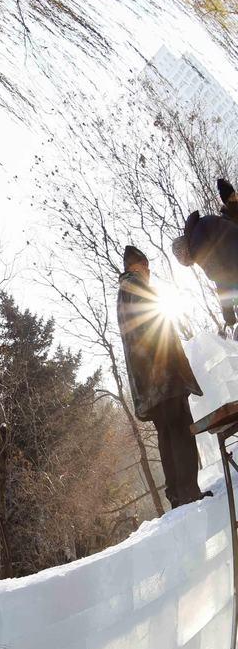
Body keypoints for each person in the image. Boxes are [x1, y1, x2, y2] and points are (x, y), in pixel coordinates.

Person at [117, 245, 206, 509]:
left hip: (149, 386)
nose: (149, 272)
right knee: (181, 433)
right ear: (139, 265)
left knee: (166, 437)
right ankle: (188, 491)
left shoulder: (123, 294)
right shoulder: (138, 288)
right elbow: (159, 330)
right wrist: (175, 368)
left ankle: (177, 495)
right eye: (147, 266)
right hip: (164, 378)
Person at [172, 208, 238, 330]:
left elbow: (221, 278)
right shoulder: (202, 224)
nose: (193, 263)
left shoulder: (196, 246)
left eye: (189, 263)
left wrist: (228, 315)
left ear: (185, 253)